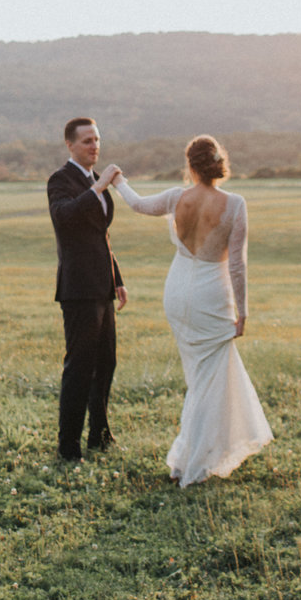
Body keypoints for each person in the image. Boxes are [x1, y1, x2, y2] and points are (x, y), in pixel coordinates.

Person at [107, 134, 273, 486]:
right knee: (208, 379)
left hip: (178, 291)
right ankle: (192, 463)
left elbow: (138, 204)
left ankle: (190, 457)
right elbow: (237, 265)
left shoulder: (175, 197)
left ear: (190, 165)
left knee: (200, 377)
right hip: (211, 295)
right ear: (219, 163)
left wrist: (118, 181)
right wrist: (243, 311)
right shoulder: (235, 204)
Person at [45, 117, 127, 461]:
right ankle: (68, 447)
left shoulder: (94, 180)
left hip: (102, 286)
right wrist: (99, 187)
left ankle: (100, 435)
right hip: (78, 288)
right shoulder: (60, 180)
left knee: (106, 363)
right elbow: (64, 217)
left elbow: (100, 235)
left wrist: (117, 278)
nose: (95, 146)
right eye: (87, 141)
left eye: (97, 140)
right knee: (79, 367)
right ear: (70, 145)